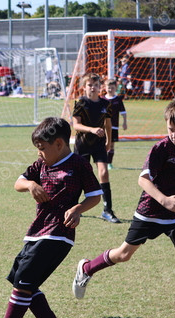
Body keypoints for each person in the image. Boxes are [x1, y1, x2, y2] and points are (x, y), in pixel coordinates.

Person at [72, 99, 175, 318]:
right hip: (150, 212)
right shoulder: (161, 148)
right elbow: (143, 179)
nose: (174, 135)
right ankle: (87, 268)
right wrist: (164, 200)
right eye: (170, 129)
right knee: (123, 254)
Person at [0, 117, 102, 318]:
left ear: (59, 144)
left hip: (59, 234)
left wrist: (77, 209)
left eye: (42, 148)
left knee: (24, 281)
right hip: (37, 232)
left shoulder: (79, 164)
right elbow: (18, 182)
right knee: (21, 280)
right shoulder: (40, 165)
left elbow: (94, 195)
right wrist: (31, 185)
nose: (39, 153)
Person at [72, 72, 120, 223]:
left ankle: (107, 210)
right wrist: (92, 129)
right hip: (82, 144)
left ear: (100, 87)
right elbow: (76, 125)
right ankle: (74, 207)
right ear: (84, 87)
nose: (93, 87)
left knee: (104, 173)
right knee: (79, 177)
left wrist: (109, 142)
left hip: (99, 144)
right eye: (90, 85)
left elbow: (108, 125)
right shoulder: (80, 103)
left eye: (96, 85)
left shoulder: (105, 104)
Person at [102, 78, 128, 170]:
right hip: (103, 127)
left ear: (115, 88)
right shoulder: (102, 99)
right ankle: (102, 162)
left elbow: (123, 112)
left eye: (112, 88)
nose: (110, 89)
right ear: (105, 88)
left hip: (114, 127)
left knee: (111, 145)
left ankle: (109, 163)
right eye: (108, 87)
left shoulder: (118, 100)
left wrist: (124, 122)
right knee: (102, 144)